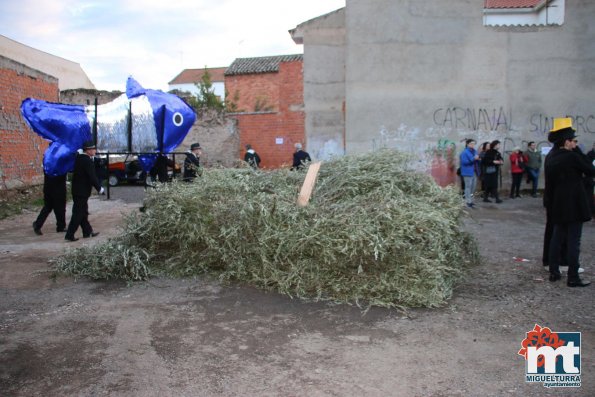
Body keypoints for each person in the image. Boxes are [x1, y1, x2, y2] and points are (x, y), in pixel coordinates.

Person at [544, 118, 594, 287]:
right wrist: (578, 151)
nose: (576, 143)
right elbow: (590, 169)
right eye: (574, 141)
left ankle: (554, 272)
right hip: (574, 203)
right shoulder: (572, 157)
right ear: (566, 142)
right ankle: (573, 276)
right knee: (574, 240)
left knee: (557, 238)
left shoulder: (551, 157)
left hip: (558, 203)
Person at [65, 141, 105, 242]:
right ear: (88, 150)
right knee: (78, 213)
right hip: (81, 191)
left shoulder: (80, 158)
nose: (95, 151)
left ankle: (87, 231)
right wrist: (99, 188)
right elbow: (92, 176)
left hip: (78, 190)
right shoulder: (86, 161)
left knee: (83, 212)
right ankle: (69, 234)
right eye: (93, 149)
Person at [459, 139, 479, 208]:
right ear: (467, 144)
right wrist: (474, 159)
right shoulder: (464, 152)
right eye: (471, 143)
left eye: (474, 143)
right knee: (468, 187)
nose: (473, 145)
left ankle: (471, 200)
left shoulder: (474, 151)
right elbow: (464, 162)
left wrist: (478, 159)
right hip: (467, 172)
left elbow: (477, 160)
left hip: (474, 171)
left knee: (473, 187)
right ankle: (468, 201)